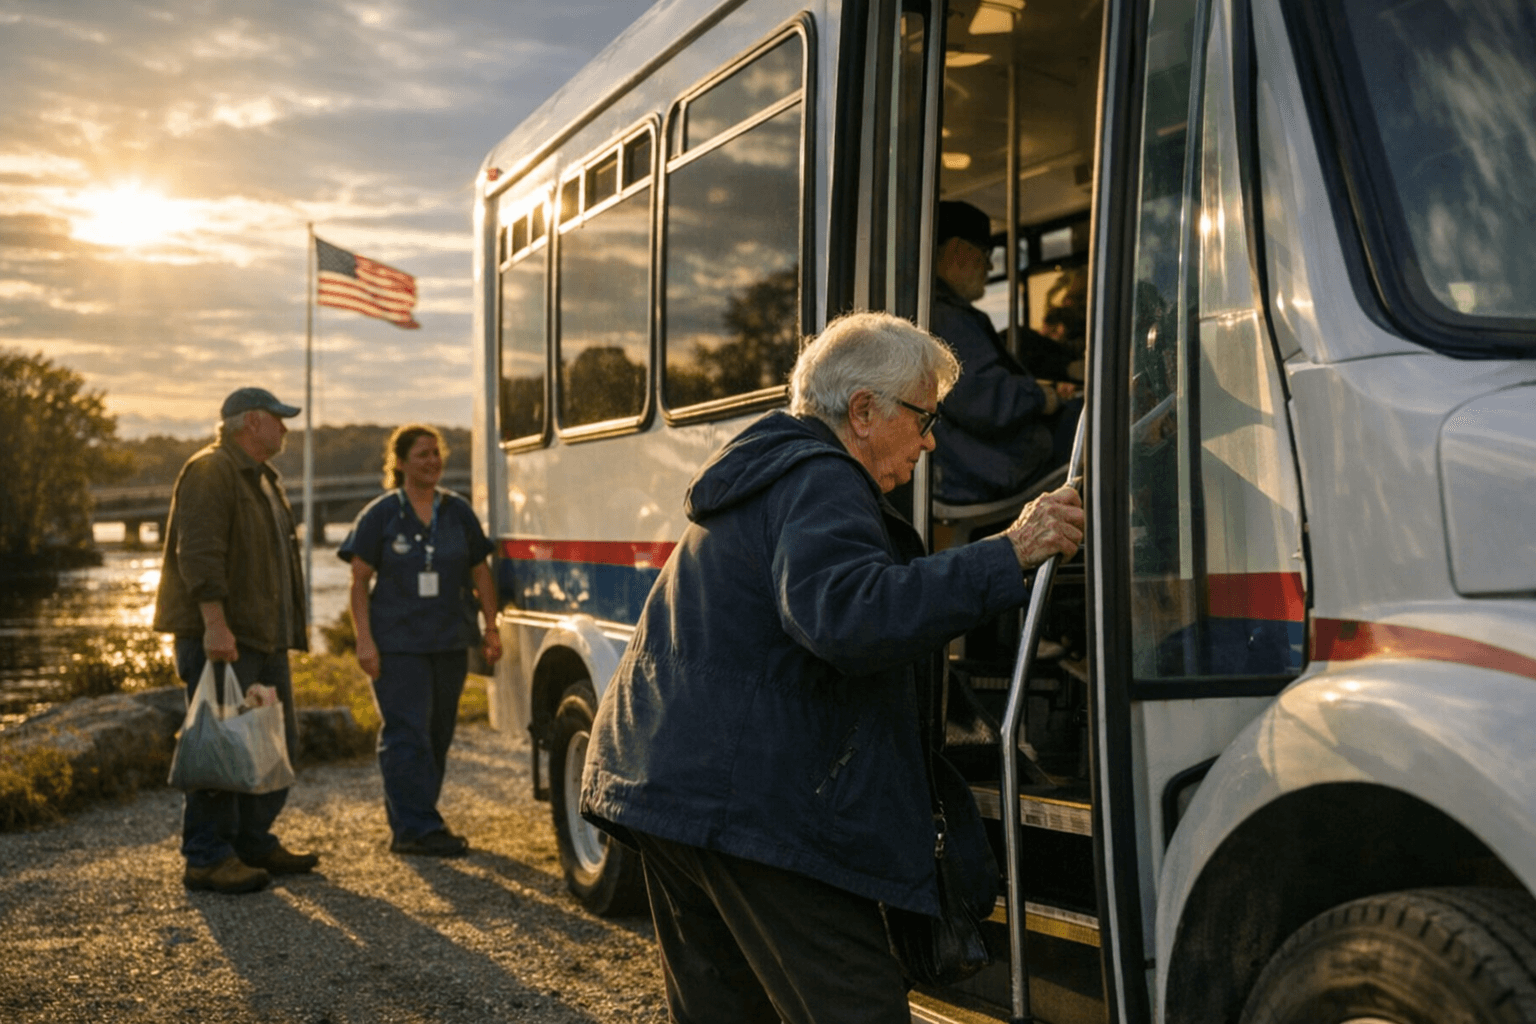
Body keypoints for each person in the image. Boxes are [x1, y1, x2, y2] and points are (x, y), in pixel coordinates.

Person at [581, 312, 1084, 1024]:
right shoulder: (822, 476)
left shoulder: (774, 468)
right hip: (750, 803)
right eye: (924, 416)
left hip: (669, 785)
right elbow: (847, 615)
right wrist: (1008, 552)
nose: (931, 439)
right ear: (863, 411)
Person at [153, 386, 319, 894]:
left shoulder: (263, 477)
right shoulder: (212, 470)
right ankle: (206, 856)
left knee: (273, 743)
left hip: (263, 638)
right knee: (221, 747)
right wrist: (214, 623)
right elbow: (198, 552)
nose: (286, 428)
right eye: (278, 419)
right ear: (251, 422)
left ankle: (251, 839)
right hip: (226, 637)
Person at [338, 425, 500, 857]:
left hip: (448, 640)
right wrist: (364, 641)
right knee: (406, 733)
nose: (431, 461)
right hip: (397, 645)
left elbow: (480, 571)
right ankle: (416, 828)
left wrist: (491, 627)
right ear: (401, 462)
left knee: (437, 734)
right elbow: (358, 581)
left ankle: (419, 819)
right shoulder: (381, 514)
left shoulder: (457, 511)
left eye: (436, 453)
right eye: (422, 454)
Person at [929, 199, 1080, 505]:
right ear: (958, 251)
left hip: (971, 465)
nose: (990, 267)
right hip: (987, 471)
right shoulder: (946, 318)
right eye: (986, 255)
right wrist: (1042, 397)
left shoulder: (939, 314)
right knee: (1094, 417)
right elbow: (985, 400)